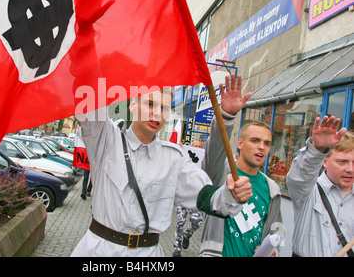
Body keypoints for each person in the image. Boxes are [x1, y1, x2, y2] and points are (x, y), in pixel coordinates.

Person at [71, 88, 253, 257]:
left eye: (165, 107)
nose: (157, 113)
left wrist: (233, 194)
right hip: (99, 250)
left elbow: (207, 196)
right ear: (132, 105)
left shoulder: (174, 159)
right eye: (150, 104)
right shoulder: (105, 137)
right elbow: (88, 93)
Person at [199, 74, 283, 257]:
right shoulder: (220, 173)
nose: (261, 146)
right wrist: (227, 116)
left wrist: (273, 248)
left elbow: (276, 229)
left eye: (267, 143)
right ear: (240, 143)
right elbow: (214, 150)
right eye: (255, 140)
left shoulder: (272, 189)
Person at [287, 116, 353, 257]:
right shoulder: (308, 191)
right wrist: (316, 150)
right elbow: (299, 176)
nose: (350, 169)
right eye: (342, 161)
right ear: (325, 161)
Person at [173, 139, 206, 257]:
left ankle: (187, 235)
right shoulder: (185, 157)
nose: (197, 148)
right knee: (180, 221)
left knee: (196, 222)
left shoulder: (205, 160)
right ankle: (177, 247)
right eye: (195, 146)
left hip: (197, 197)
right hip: (184, 193)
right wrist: (179, 149)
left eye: (199, 146)